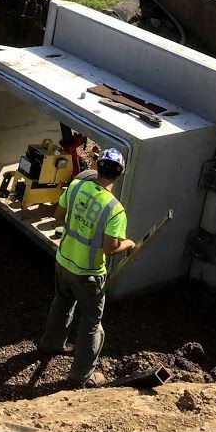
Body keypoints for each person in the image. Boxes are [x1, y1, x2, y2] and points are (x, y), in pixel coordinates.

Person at [39, 147, 135, 387]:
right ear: (120, 173)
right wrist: (129, 243)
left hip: (63, 261)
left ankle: (50, 344)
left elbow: (59, 217)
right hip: (89, 274)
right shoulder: (115, 210)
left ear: (97, 165)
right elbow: (111, 248)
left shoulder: (76, 186)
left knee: (61, 303)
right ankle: (81, 374)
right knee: (92, 322)